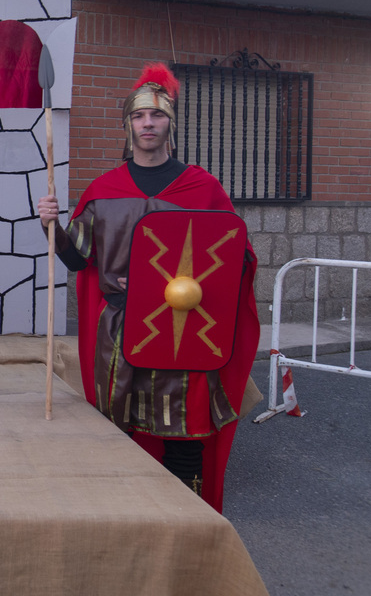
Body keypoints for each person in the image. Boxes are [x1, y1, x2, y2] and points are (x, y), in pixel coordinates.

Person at [36, 64, 260, 512]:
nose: (148, 124)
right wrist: (53, 226)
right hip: (120, 336)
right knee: (120, 437)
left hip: (187, 338)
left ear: (169, 123)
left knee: (185, 439)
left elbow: (238, 259)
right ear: (128, 125)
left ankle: (189, 523)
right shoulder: (104, 190)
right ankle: (128, 518)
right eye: (139, 117)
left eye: (157, 116)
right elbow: (79, 258)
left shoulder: (203, 188)